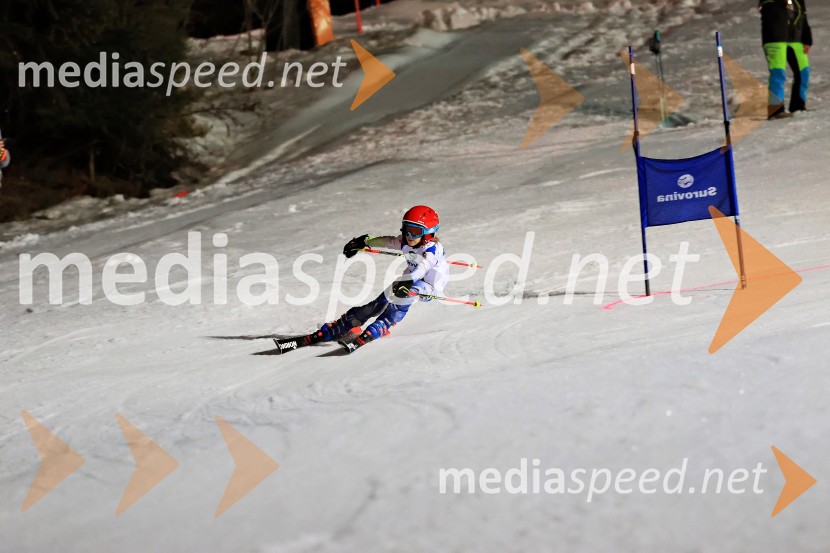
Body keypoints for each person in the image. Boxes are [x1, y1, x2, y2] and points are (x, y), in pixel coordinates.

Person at [317, 205, 449, 349]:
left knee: (402, 297)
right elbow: (388, 241)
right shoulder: (406, 242)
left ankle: (383, 324)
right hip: (409, 280)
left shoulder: (433, 250)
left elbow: (423, 267)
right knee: (380, 302)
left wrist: (408, 280)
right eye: (406, 229)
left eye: (415, 231)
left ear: (428, 234)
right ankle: (349, 323)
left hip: (429, 287)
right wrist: (364, 241)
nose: (409, 235)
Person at [759, 0, 813, 118]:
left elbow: (803, 17)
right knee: (778, 73)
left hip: (796, 40)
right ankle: (775, 110)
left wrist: (807, 39)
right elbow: (767, 8)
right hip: (775, 39)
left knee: (803, 72)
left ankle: (798, 106)